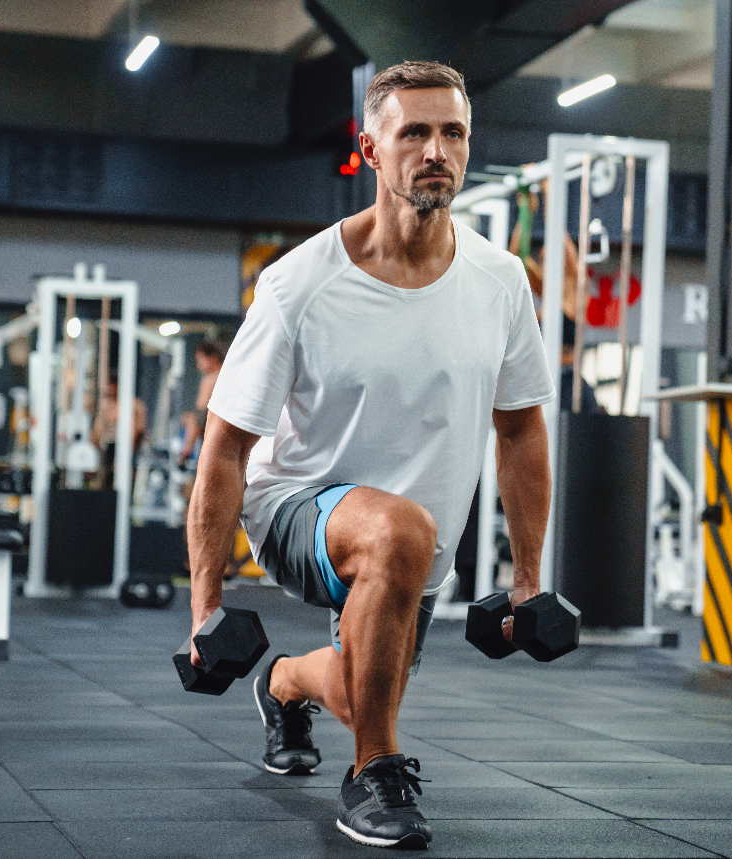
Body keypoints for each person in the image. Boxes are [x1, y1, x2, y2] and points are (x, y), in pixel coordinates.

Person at [186, 61, 554, 850]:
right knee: (398, 534)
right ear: (370, 149)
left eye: (452, 132)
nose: (435, 150)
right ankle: (373, 775)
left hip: (421, 549)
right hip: (296, 505)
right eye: (413, 132)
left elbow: (521, 429)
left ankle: (284, 683)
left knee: (359, 690)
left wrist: (528, 582)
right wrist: (204, 607)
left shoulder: (499, 281)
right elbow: (225, 448)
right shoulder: (298, 283)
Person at [508, 183, 601, 414]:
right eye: (544, 258)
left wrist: (550, 192)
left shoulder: (574, 291)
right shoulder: (548, 293)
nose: (546, 261)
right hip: (541, 380)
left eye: (552, 258)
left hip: (568, 386)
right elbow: (515, 261)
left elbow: (560, 241)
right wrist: (526, 211)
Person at [179, 339, 227, 467]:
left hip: (217, 427)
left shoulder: (210, 379)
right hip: (228, 427)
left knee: (190, 418)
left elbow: (200, 413)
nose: (198, 367)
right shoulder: (230, 375)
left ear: (213, 359)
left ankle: (185, 453)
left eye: (200, 361)